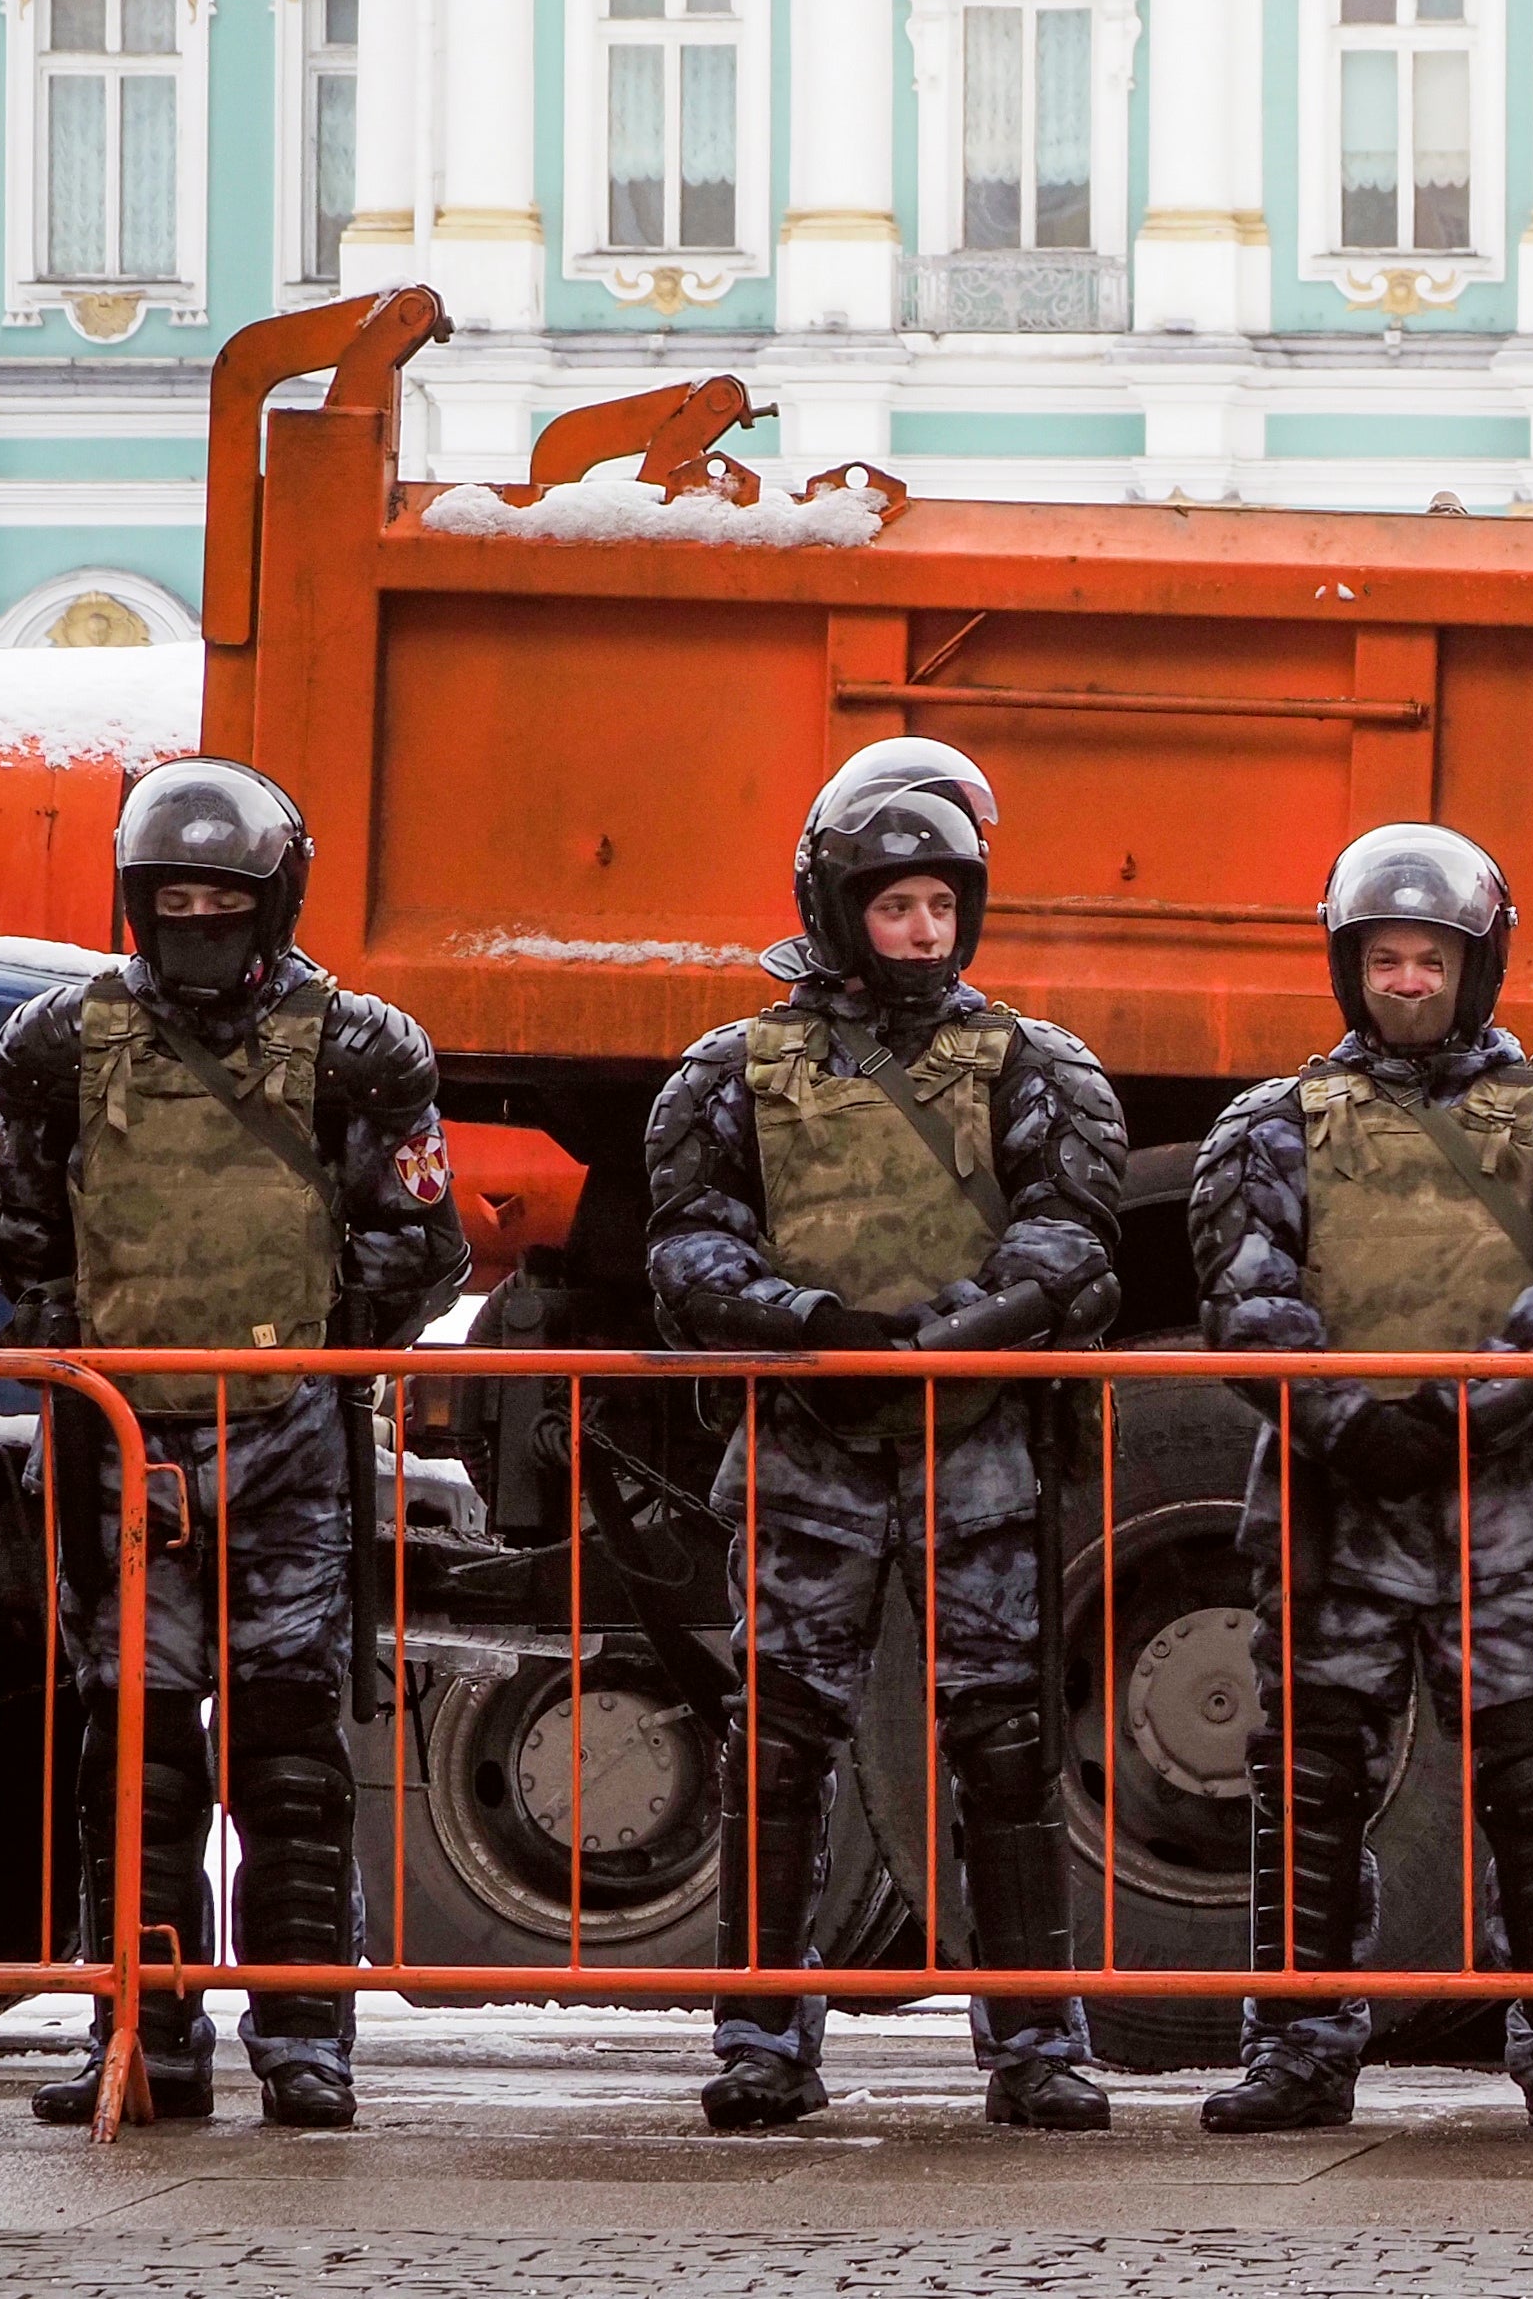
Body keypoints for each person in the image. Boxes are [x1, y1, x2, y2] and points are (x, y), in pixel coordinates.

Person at [0, 761, 458, 2129]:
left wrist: (300, 1355)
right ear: (139, 903)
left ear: (273, 903)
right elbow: (24, 1241)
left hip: (289, 1439)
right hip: (122, 1438)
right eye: (175, 898)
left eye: (222, 899)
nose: (198, 919)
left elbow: (416, 1247)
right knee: (132, 1756)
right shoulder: (56, 1046)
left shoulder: (364, 1048)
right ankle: (143, 2026)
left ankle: (307, 2036)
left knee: (291, 1754)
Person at [645, 781, 1126, 2133]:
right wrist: (808, 1324)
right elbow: (686, 1247)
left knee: (1004, 1743)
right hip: (806, 1444)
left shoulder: (1033, 1064)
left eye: (939, 907)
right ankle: (760, 2040)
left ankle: (1037, 2045)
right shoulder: (734, 1068)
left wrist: (963, 1333)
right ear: (837, 911)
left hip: (971, 1444)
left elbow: (1076, 1236)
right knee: (780, 1746)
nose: (921, 932)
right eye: (894, 906)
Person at [1188, 824, 1533, 2138]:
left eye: (1429, 960)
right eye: (1383, 960)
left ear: (1478, 963)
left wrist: (1455, 1416)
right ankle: (1296, 2042)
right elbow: (1246, 1294)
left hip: (1504, 1505)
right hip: (1336, 1500)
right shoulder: (1271, 1126)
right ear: (1350, 968)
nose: (1406, 983)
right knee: (1309, 1777)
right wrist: (1352, 1420)